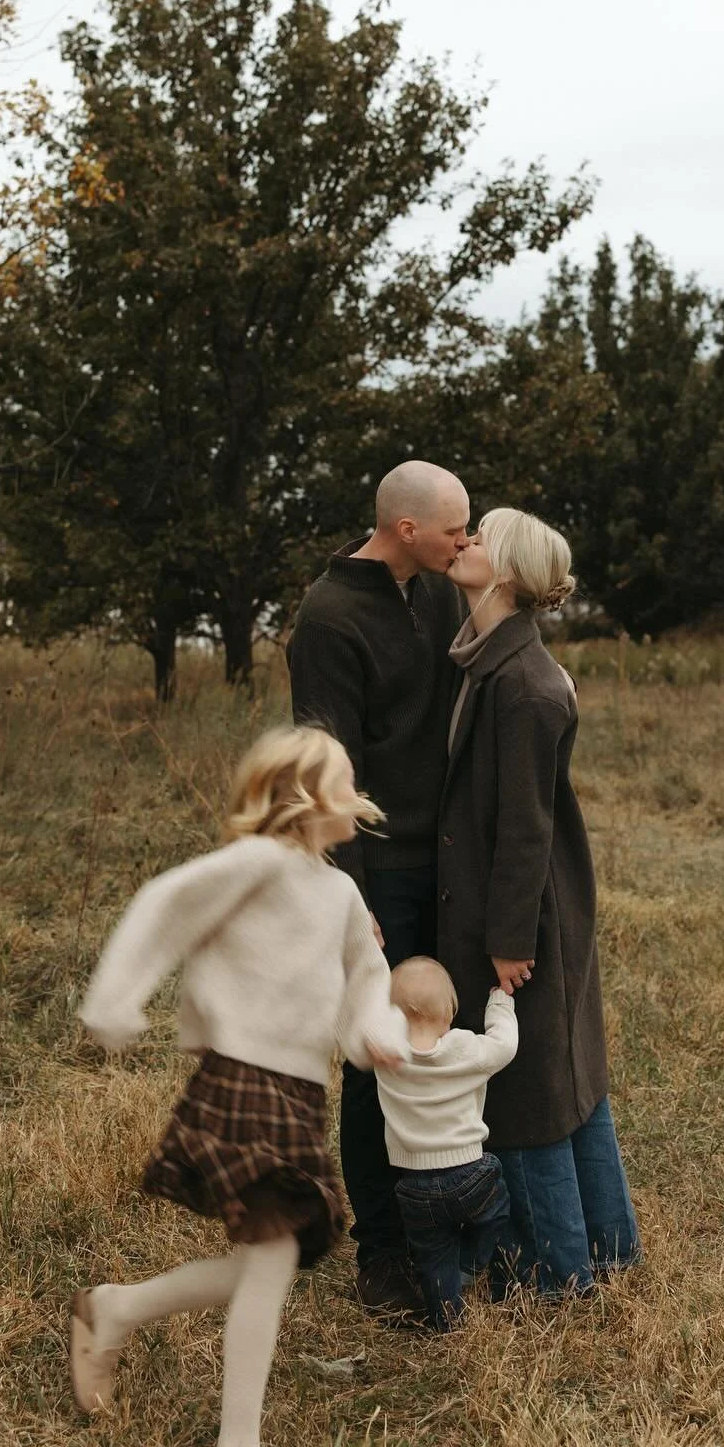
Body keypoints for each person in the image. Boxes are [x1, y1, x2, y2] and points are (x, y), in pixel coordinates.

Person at [68, 726, 409, 1447]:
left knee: (274, 1260)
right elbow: (167, 904)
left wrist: (376, 1035)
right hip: (241, 1078)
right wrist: (116, 999)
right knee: (273, 1257)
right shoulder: (260, 863)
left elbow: (368, 974)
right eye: (344, 780)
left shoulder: (342, 893)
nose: (359, 794)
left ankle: (115, 1308)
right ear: (300, 795)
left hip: (297, 1093)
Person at [438, 507, 641, 1294]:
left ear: (510, 572)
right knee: (566, 1076)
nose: (466, 543)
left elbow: (525, 828)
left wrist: (508, 937)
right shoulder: (493, 661)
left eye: (480, 537)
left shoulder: (521, 683)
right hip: (531, 907)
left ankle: (554, 1273)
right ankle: (608, 1245)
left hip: (529, 917)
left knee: (529, 1091)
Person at [288, 460, 469, 1318]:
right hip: (377, 875)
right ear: (405, 530)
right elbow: (326, 773)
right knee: (377, 1059)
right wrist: (351, 898)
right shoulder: (326, 622)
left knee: (449, 1037)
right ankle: (384, 1252)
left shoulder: (439, 589)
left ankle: (454, 1218)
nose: (465, 542)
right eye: (454, 529)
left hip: (447, 858)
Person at [375, 956, 519, 1328]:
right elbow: (504, 1046)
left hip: (413, 1186)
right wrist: (500, 1005)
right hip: (470, 1174)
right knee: (497, 1209)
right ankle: (471, 1264)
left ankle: (446, 1320)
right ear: (450, 1010)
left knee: (432, 1254)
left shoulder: (386, 1056)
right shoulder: (463, 1048)